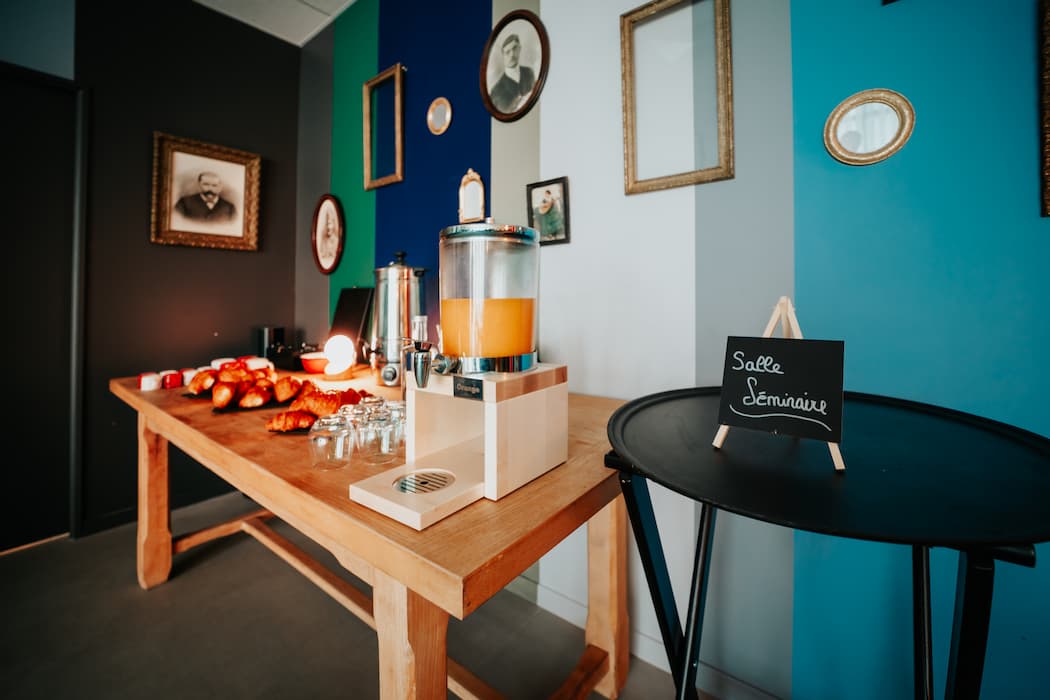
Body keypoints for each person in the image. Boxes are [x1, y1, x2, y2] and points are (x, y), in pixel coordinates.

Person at [489, 33, 535, 113]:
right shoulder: (496, 91)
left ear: (519, 49)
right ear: (503, 56)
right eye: (507, 52)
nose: (512, 55)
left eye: (515, 48)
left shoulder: (529, 73)